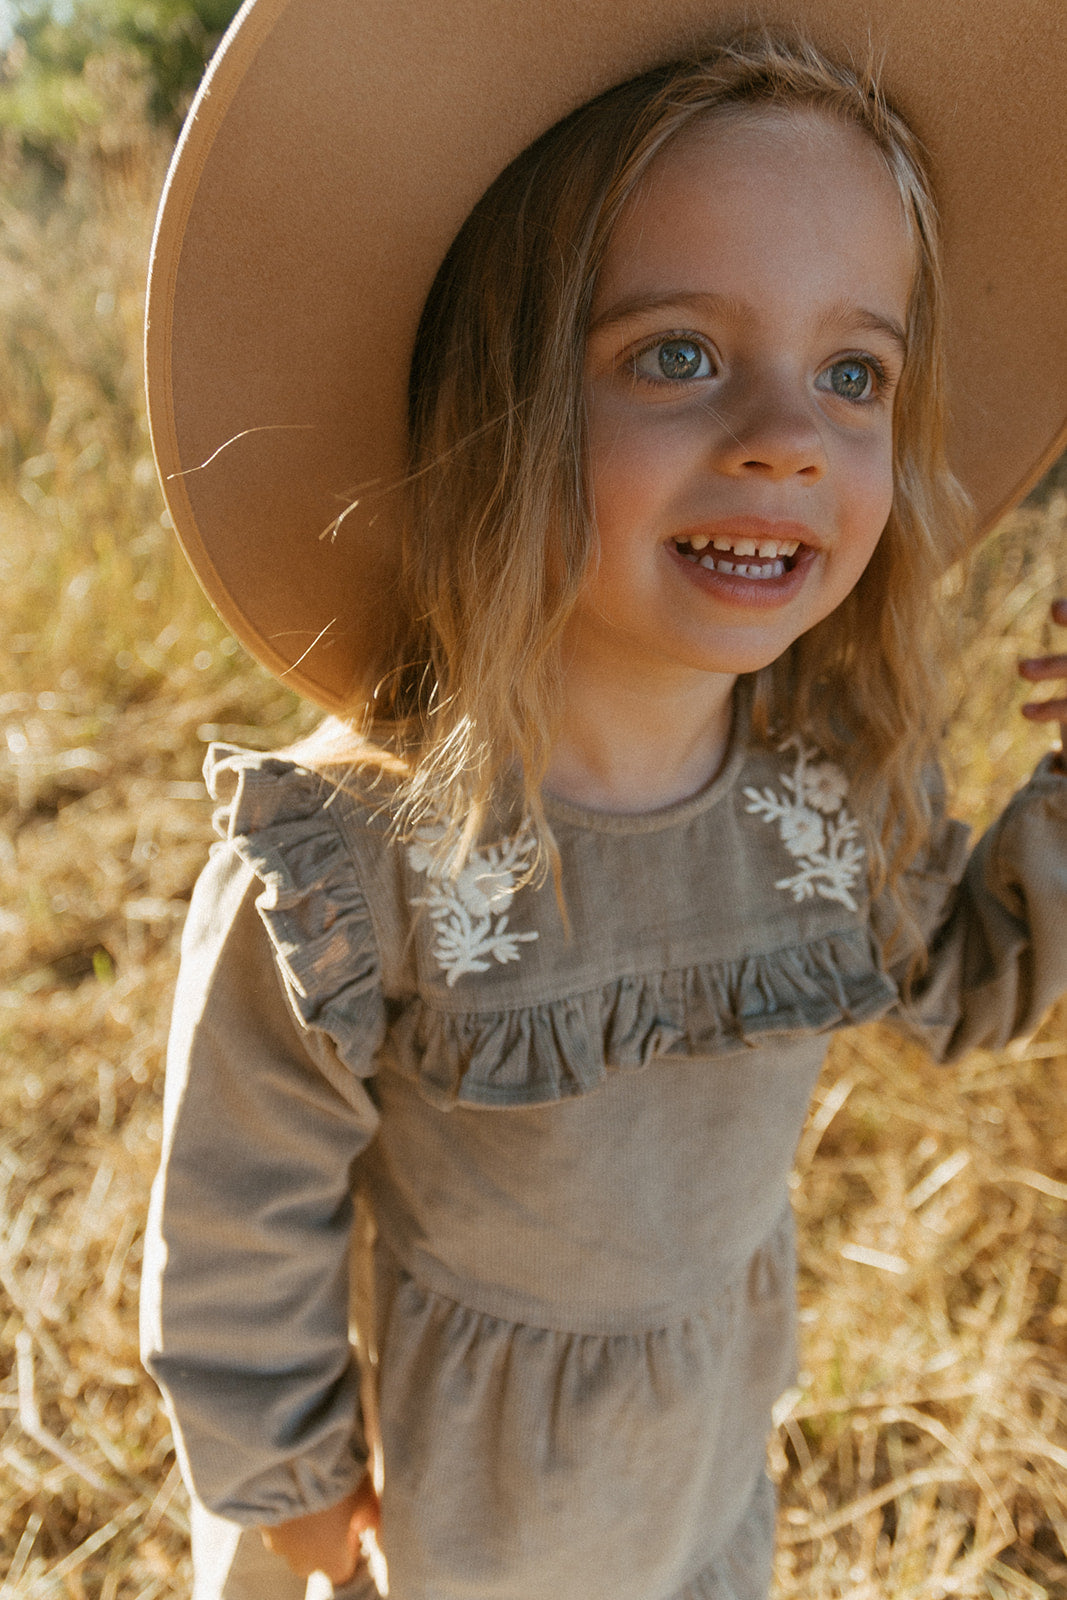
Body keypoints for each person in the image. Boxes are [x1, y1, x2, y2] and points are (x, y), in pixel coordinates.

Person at [139, 5, 1067, 1598]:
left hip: (703, 1472)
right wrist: (286, 1483)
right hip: (439, 1511)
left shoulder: (828, 790)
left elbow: (967, 988)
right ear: (501, 407)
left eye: (854, 371)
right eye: (679, 356)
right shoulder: (360, 864)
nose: (786, 442)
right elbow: (240, 1214)